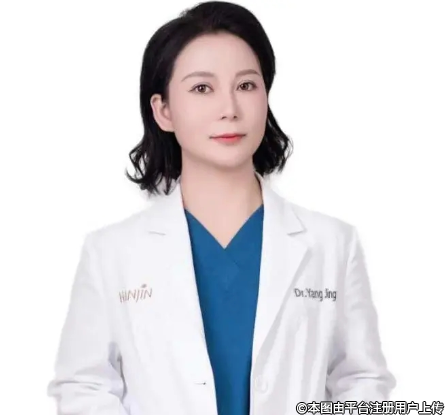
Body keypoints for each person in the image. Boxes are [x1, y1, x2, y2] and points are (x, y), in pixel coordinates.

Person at [46, 1, 396, 414]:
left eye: (246, 85)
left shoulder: (333, 244)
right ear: (163, 111)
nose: (229, 109)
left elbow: (362, 381)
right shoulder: (111, 253)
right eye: (202, 88)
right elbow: (84, 386)